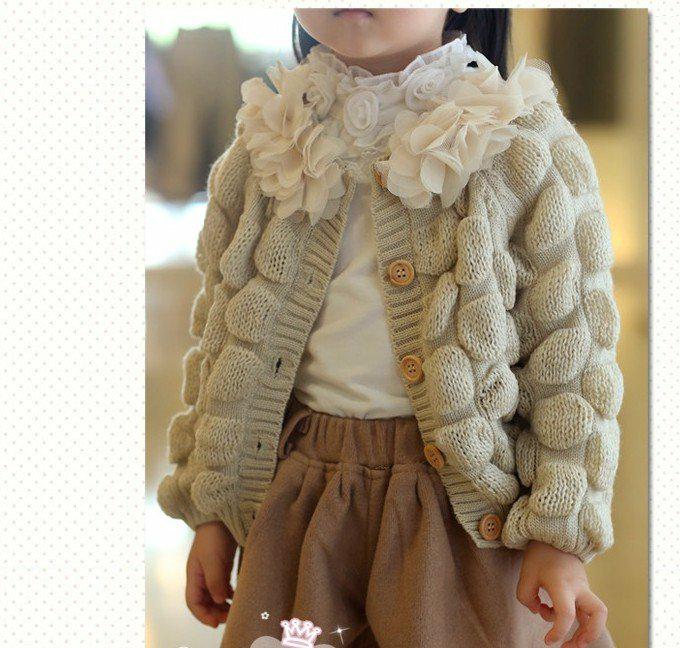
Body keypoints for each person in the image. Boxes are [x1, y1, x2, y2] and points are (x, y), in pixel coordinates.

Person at [157, 8, 622, 647]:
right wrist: (213, 508)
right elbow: (224, 341)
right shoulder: (266, 141)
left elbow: (573, 354)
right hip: (299, 508)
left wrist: (559, 533)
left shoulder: (522, 144)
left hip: (461, 518)